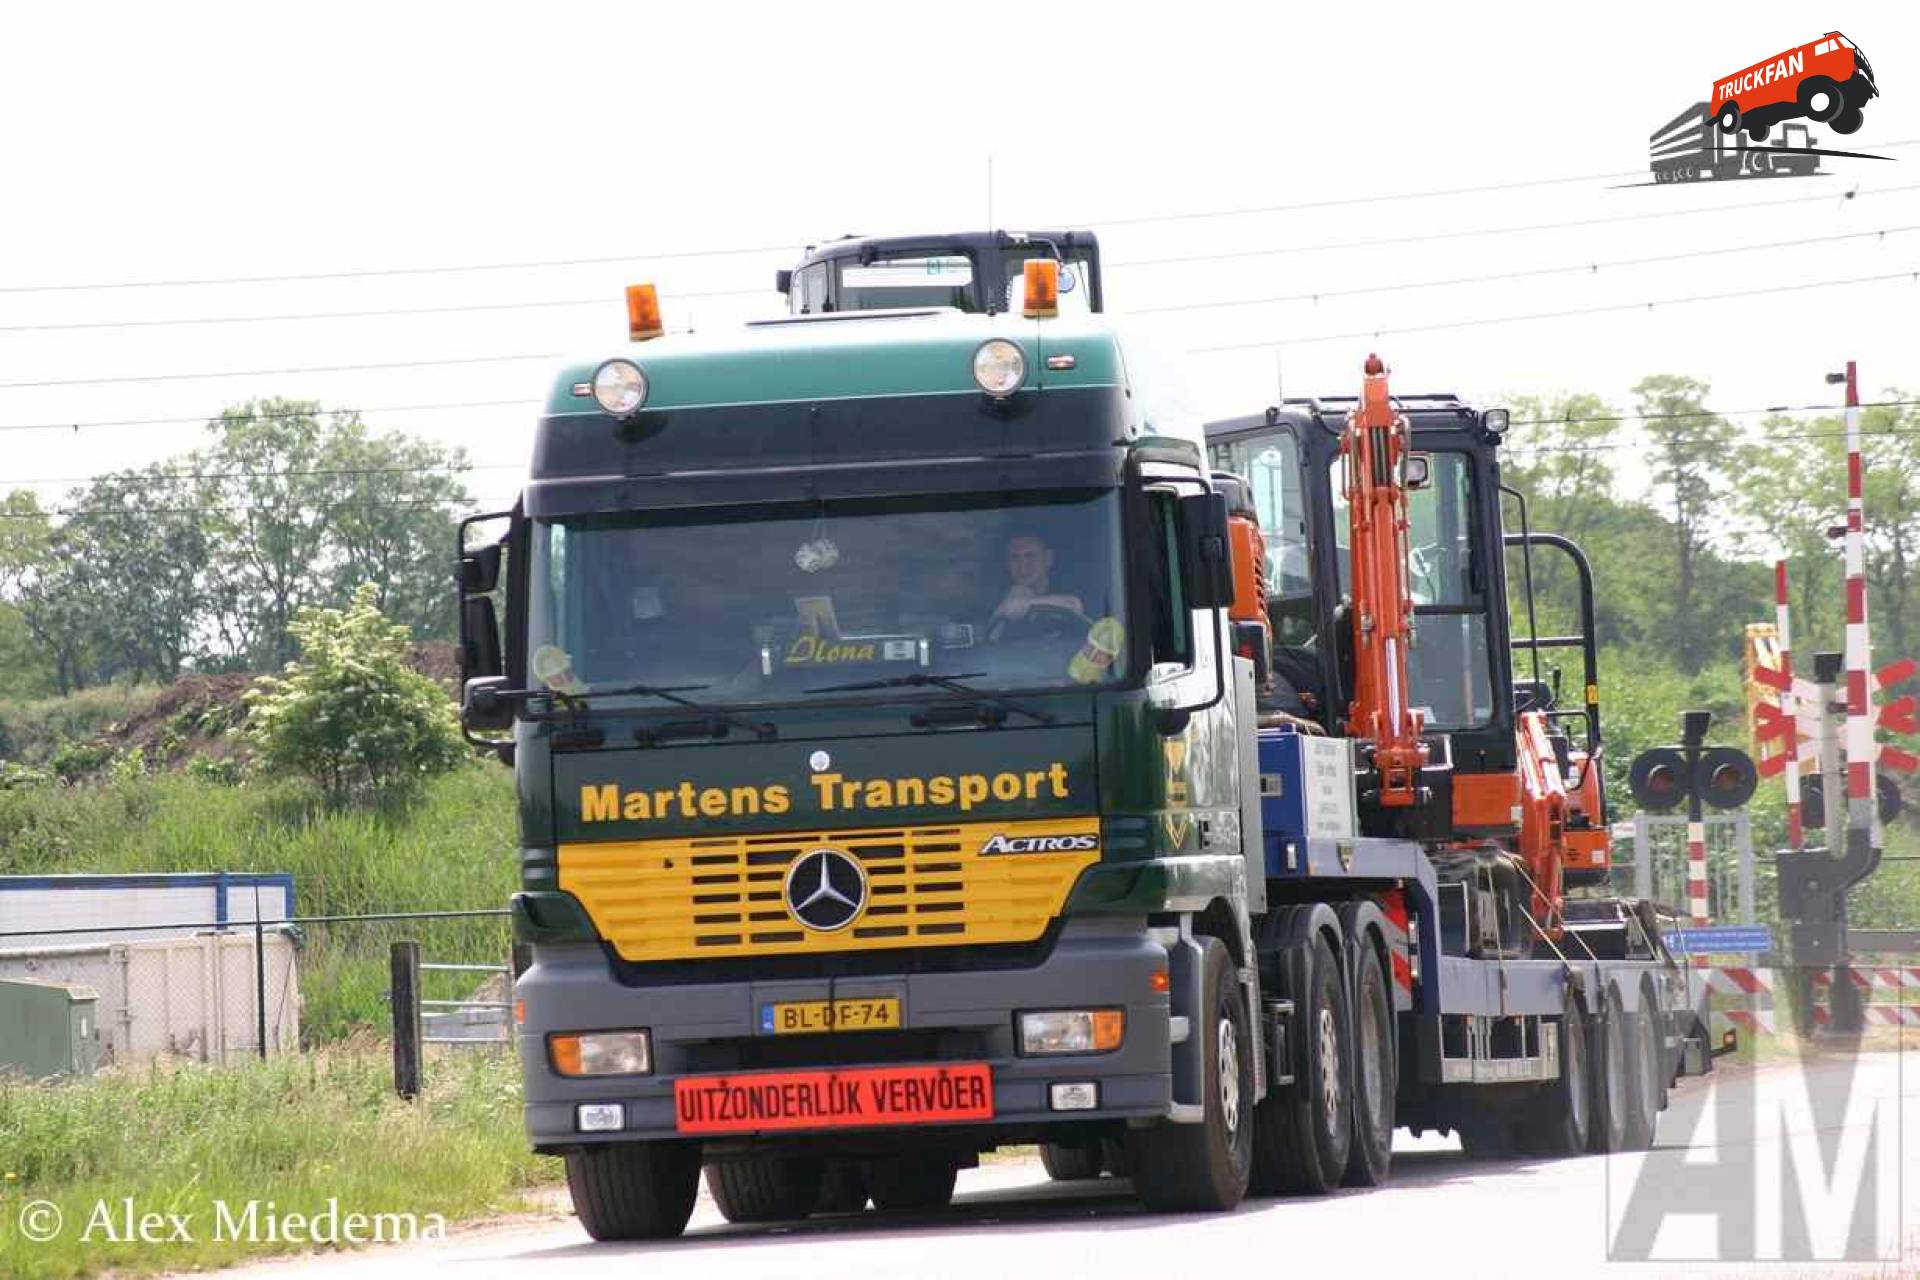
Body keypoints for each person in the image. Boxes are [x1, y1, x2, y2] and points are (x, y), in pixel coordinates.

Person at [988, 534, 1085, 641]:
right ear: (1007, 563)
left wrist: (1026, 603)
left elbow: (1075, 606)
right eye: (1015, 557)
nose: (1022, 565)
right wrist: (1003, 608)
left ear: (1048, 559)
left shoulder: (1069, 588)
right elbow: (989, 641)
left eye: (1030, 556)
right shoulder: (995, 597)